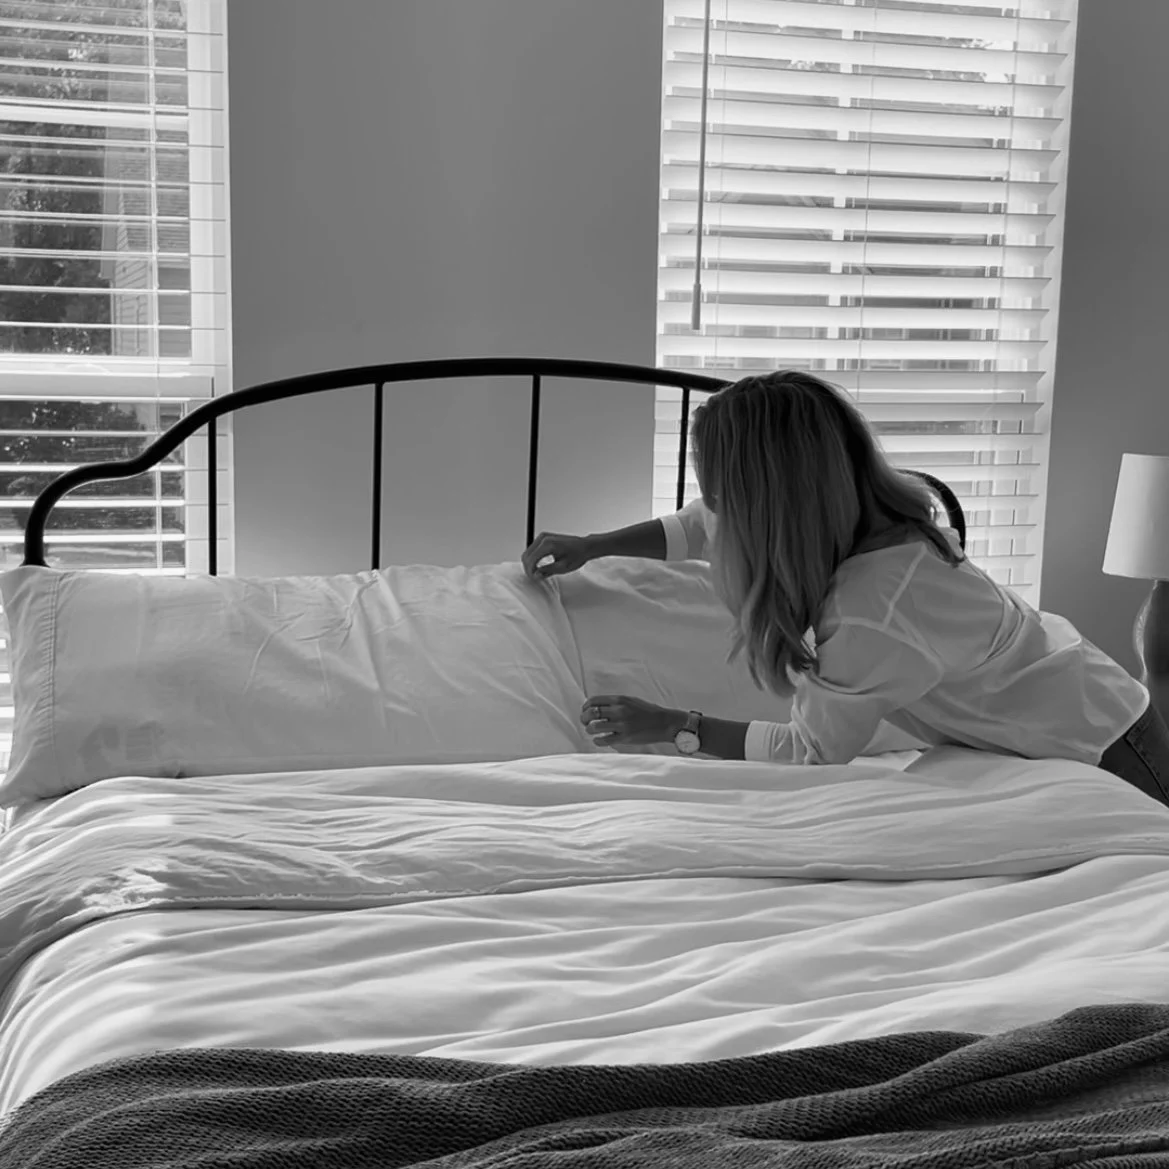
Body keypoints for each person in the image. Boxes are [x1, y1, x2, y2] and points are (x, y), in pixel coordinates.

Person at [520, 369, 1169, 808]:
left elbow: (811, 750)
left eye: (723, 491)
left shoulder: (875, 608)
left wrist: (673, 725)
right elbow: (700, 524)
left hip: (1100, 745)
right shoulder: (858, 518)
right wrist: (596, 546)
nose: (715, 509)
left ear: (771, 505)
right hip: (1079, 700)